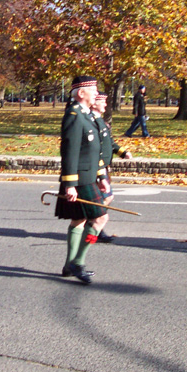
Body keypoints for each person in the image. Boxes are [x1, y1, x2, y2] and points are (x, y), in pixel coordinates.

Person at [56, 75, 111, 284]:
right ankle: (78, 263)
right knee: (100, 219)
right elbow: (70, 152)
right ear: (81, 93)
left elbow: (92, 151)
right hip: (79, 180)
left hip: (89, 176)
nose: (97, 94)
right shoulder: (74, 116)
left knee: (79, 220)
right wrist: (70, 184)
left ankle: (69, 265)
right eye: (93, 90)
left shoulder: (87, 115)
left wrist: (101, 175)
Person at [91, 93, 132, 244]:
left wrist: (123, 152)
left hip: (104, 168)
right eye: (102, 102)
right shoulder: (92, 122)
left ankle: (93, 224)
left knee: (104, 198)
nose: (105, 105)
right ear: (94, 103)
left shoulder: (100, 121)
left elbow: (110, 143)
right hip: (97, 168)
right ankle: (95, 226)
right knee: (105, 197)